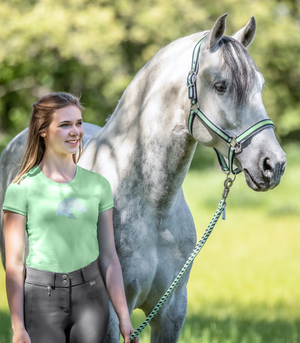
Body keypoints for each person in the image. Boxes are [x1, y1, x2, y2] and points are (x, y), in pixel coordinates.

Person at [3, 92, 138, 343]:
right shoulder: (21, 189)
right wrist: (18, 327)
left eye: (78, 123)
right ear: (43, 130)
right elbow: (14, 265)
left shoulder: (98, 185)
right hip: (41, 300)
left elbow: (109, 257)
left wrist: (123, 316)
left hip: (91, 299)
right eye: (65, 125)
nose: (76, 131)